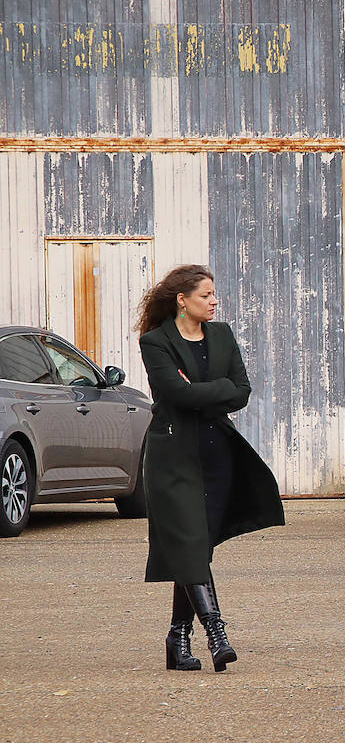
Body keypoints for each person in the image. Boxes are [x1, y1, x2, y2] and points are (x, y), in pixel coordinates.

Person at [134, 265, 284, 672]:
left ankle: (177, 637)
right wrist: (214, 392)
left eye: (214, 294)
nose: (214, 301)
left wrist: (201, 393)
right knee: (189, 541)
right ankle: (217, 633)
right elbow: (176, 395)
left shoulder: (222, 336)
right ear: (183, 300)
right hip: (172, 456)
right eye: (206, 295)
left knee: (197, 548)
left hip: (216, 454)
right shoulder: (156, 342)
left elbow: (243, 391)